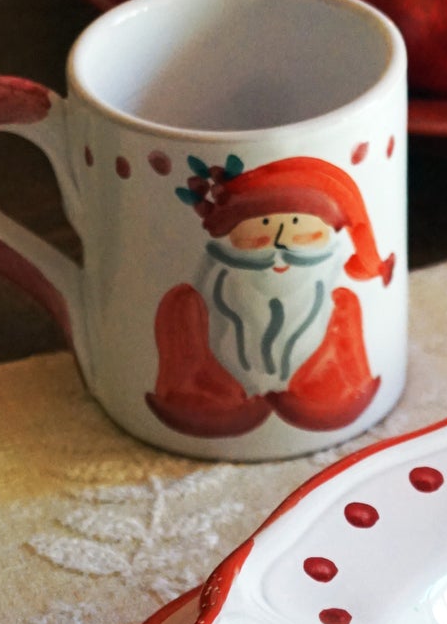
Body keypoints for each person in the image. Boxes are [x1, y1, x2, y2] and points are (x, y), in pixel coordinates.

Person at [147, 154, 395, 438]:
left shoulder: (339, 305)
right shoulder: (191, 305)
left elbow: (347, 379)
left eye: (296, 225)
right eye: (263, 225)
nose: (280, 242)